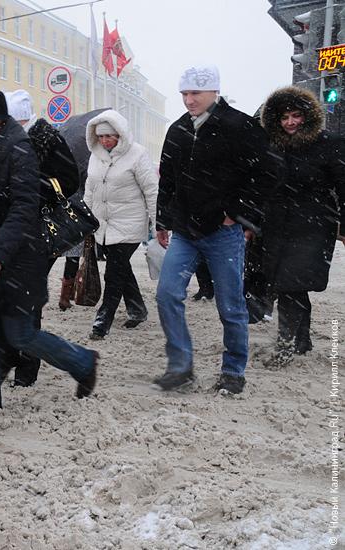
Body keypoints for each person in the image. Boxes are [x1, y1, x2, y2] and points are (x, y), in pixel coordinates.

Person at [0, 89, 98, 416]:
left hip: (17, 257)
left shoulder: (20, 150)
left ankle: (82, 361)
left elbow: (23, 209)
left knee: (20, 333)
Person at [154, 65, 277, 395]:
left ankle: (233, 371)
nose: (189, 100)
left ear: (214, 92)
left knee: (231, 306)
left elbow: (267, 174)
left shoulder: (240, 126)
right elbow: (167, 179)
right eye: (184, 93)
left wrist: (236, 215)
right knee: (167, 295)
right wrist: (162, 220)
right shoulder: (178, 129)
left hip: (223, 233)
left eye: (195, 93)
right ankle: (181, 367)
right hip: (183, 231)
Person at [259, 86, 345, 365]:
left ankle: (284, 347)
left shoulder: (329, 143)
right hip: (278, 226)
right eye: (284, 117)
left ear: (308, 117)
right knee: (292, 285)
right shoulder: (272, 144)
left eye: (296, 115)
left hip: (314, 225)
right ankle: (303, 340)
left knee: (289, 284)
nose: (290, 122)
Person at [82, 109, 157, 340]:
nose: (105, 141)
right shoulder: (96, 156)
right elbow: (90, 189)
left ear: (120, 134)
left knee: (113, 273)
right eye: (101, 136)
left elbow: (151, 190)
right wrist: (85, 219)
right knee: (121, 268)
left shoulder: (138, 154)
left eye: (110, 136)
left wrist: (158, 223)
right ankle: (137, 309)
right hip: (102, 226)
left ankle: (102, 322)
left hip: (129, 224)